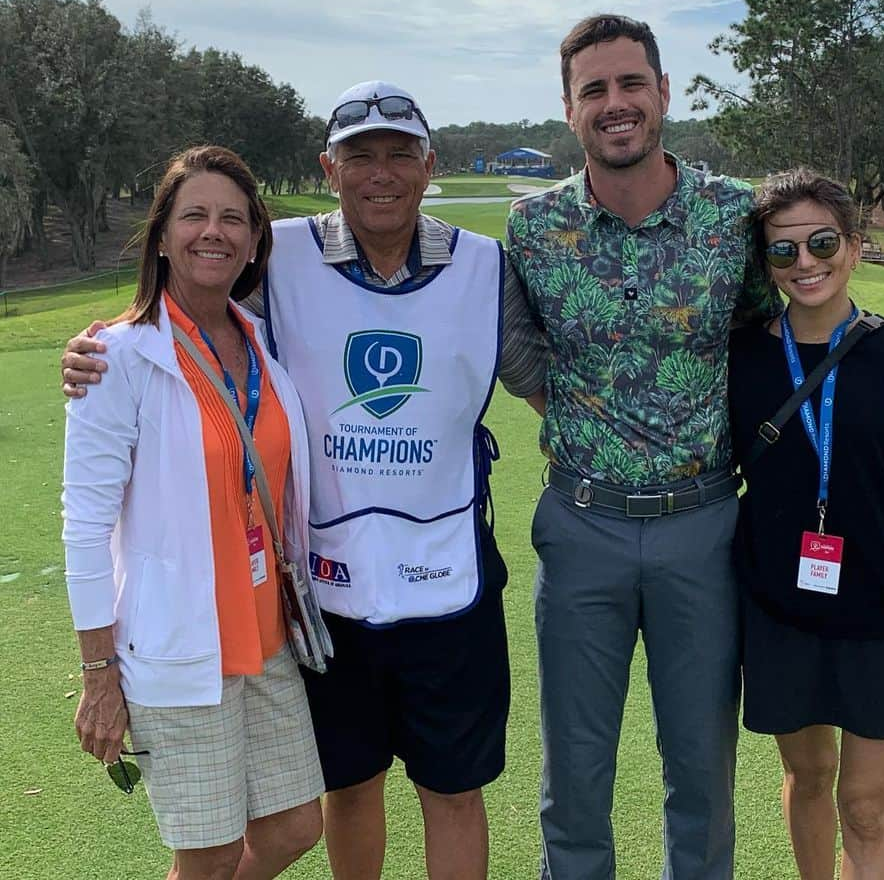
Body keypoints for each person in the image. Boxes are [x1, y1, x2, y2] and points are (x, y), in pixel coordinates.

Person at [505, 14, 884, 880]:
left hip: (704, 528)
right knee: (574, 776)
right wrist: (566, 410)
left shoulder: (729, 216)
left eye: (631, 82)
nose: (616, 103)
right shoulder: (531, 230)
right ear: (568, 109)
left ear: (663, 91)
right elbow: (514, 348)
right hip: (582, 522)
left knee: (701, 778)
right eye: (594, 89)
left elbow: (806, 301)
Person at [62, 82, 547, 880]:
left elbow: (539, 381)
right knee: (349, 792)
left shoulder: (485, 267)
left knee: (454, 793)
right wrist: (102, 346)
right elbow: (189, 302)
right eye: (360, 157)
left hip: (449, 586)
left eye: (400, 155)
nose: (380, 174)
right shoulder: (278, 257)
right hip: (327, 596)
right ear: (330, 167)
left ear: (431, 166)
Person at [62, 145, 324, 880]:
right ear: (162, 235)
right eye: (196, 215)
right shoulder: (116, 358)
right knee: (204, 856)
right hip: (180, 646)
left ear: (252, 243)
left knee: (298, 824)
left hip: (268, 639)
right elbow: (84, 525)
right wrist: (98, 672)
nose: (215, 232)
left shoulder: (262, 346)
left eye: (233, 218)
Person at [729, 169, 884, 880]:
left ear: (856, 247)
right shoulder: (740, 358)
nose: (806, 264)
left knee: (865, 803)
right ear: (764, 262)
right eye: (783, 250)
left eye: (823, 242)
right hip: (780, 613)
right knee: (809, 777)